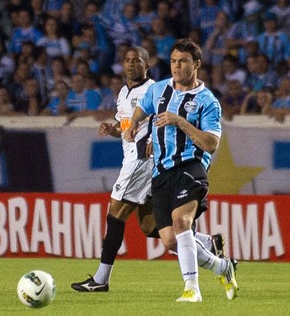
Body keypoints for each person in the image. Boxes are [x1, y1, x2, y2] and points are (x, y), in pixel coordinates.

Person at [71, 46, 225, 293]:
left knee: (116, 213)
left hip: (141, 161)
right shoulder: (124, 92)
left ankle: (101, 279)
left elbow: (160, 122)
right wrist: (116, 130)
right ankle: (207, 242)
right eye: (127, 60)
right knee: (151, 227)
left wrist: (155, 141)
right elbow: (129, 125)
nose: (131, 64)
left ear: (147, 65)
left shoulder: (157, 88)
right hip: (137, 159)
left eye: (137, 61)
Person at [124, 39, 238, 302]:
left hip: (190, 167)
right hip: (161, 172)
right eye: (174, 61)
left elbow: (211, 143)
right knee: (170, 241)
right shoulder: (160, 89)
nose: (177, 66)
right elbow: (143, 108)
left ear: (196, 64)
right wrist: (133, 124)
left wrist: (180, 122)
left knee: (181, 222)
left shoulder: (207, 101)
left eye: (183, 61)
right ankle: (222, 267)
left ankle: (192, 289)